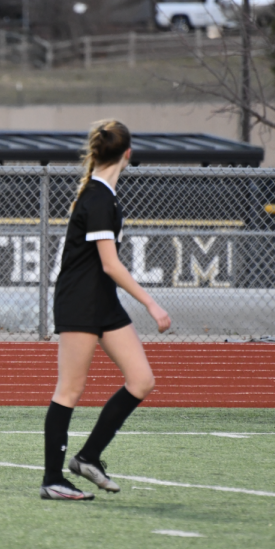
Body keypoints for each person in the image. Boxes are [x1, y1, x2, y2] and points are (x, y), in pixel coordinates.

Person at [40, 120, 172, 501]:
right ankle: (52, 479)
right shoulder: (97, 198)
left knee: (142, 380)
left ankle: (88, 457)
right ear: (128, 154)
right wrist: (151, 302)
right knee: (70, 389)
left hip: (103, 302)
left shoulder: (106, 196)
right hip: (80, 301)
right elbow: (111, 264)